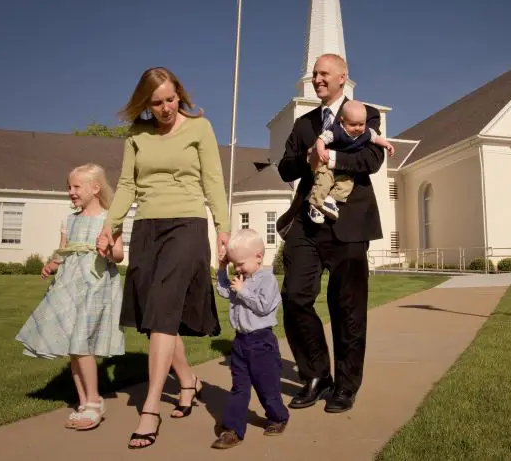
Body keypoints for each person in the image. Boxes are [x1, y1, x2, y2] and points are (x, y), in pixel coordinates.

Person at [95, 67, 230, 450]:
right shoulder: (137, 135)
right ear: (145, 104)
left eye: (171, 99)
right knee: (157, 314)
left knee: (165, 309)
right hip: (147, 228)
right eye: (157, 102)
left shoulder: (199, 128)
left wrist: (222, 226)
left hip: (186, 224)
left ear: (180, 95)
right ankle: (188, 382)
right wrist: (111, 226)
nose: (166, 107)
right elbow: (126, 184)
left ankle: (150, 407)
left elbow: (213, 180)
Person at [276, 53, 385, 414]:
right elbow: (284, 168)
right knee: (294, 297)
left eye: (324, 73)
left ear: (343, 77)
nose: (317, 78)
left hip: (350, 223)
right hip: (307, 222)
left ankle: (346, 385)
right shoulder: (305, 123)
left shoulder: (364, 113)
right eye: (314, 73)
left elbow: (371, 160)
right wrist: (307, 159)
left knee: (347, 308)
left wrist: (331, 160)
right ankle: (316, 374)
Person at [16, 163, 125, 431]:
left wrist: (108, 250)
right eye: (70, 186)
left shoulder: (109, 220)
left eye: (76, 186)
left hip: (95, 286)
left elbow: (120, 256)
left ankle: (95, 402)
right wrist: (53, 263)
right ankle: (84, 401)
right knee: (72, 348)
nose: (71, 191)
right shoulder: (70, 220)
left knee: (81, 344)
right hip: (68, 285)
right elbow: (63, 251)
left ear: (95, 188)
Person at [211, 229, 289, 450]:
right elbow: (225, 292)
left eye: (240, 264)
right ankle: (233, 429)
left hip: (262, 342)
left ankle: (278, 417)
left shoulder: (268, 280)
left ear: (259, 257)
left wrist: (244, 291)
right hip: (241, 342)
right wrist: (223, 268)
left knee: (268, 386)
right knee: (239, 387)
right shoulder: (240, 277)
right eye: (234, 264)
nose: (238, 269)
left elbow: (264, 307)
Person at [308, 99, 394, 223]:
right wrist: (321, 151)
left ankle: (330, 200)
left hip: (345, 169)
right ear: (342, 121)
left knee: (347, 184)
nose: (358, 128)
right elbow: (321, 139)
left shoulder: (366, 132)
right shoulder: (336, 131)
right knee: (323, 182)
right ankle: (314, 206)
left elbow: (376, 138)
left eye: (361, 124)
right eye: (353, 125)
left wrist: (387, 145)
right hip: (328, 166)